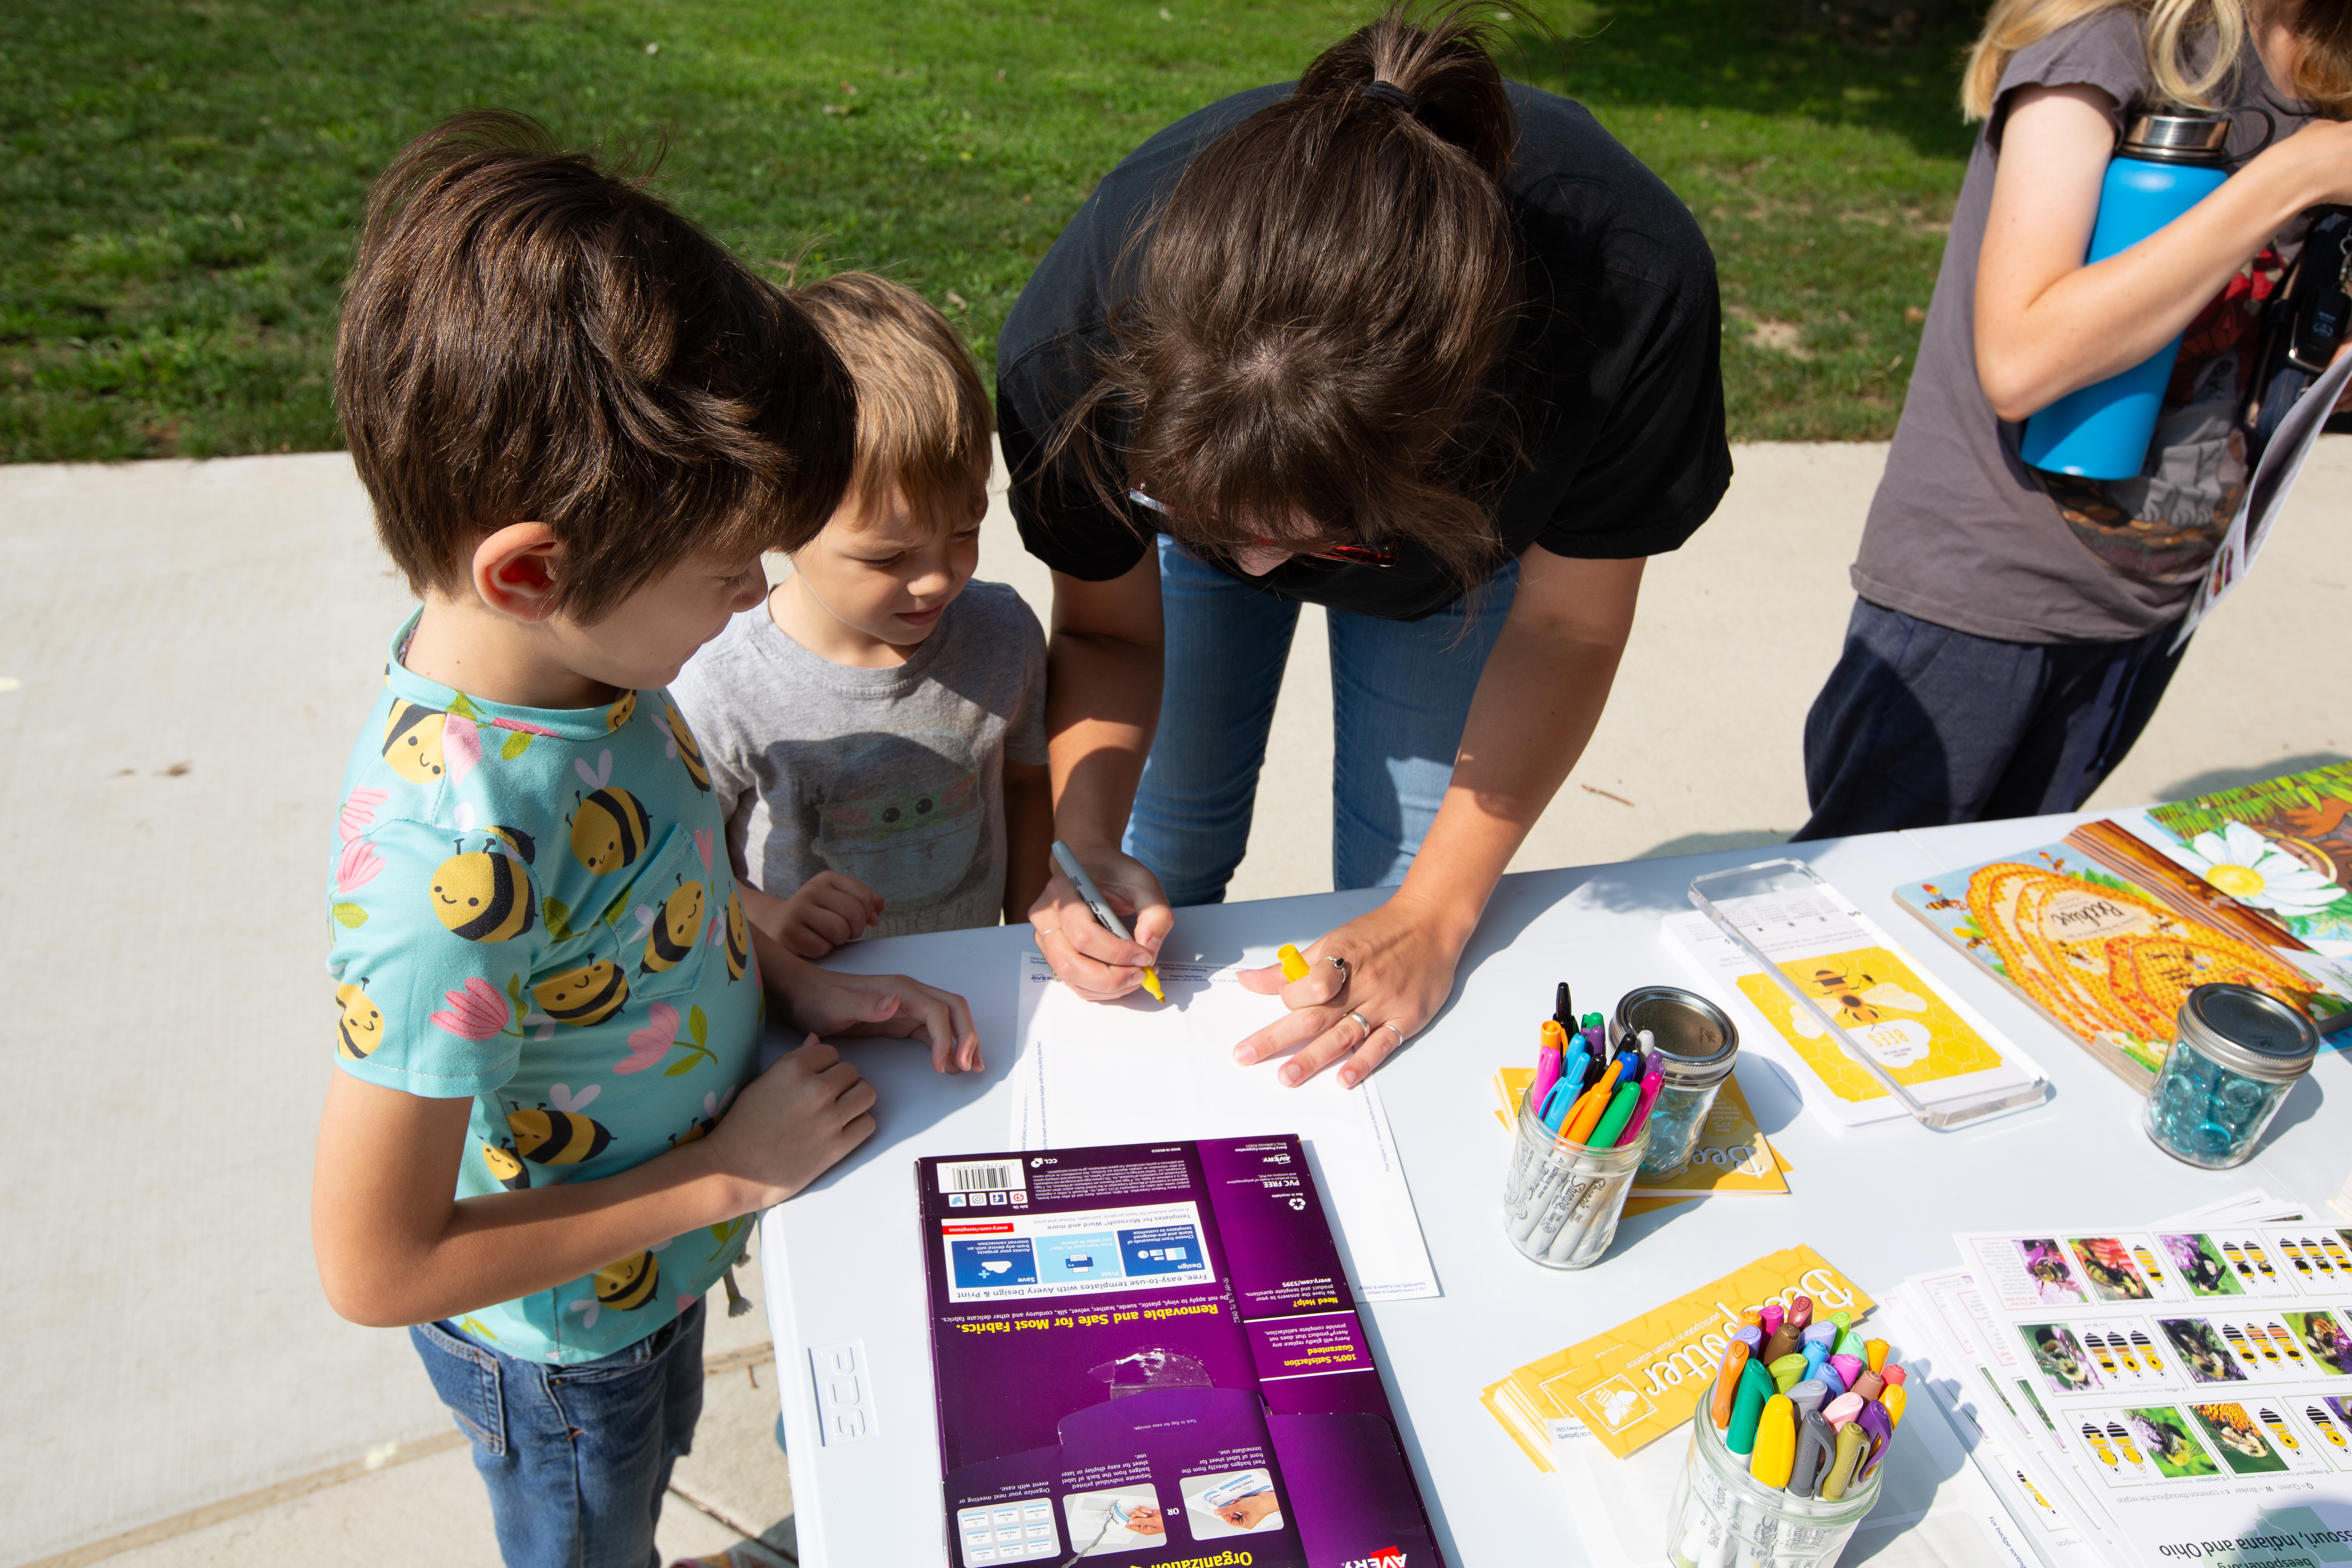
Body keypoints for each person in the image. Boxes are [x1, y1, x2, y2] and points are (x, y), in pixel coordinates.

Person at [311, 114, 981, 1568]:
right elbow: (377, 1262)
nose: (750, 602)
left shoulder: (588, 677)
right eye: (728, 571)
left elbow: (647, 869)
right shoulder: (446, 874)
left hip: (655, 1266)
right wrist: (730, 1178)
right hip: (566, 1346)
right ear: (535, 567)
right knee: (590, 1535)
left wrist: (780, 967)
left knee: (658, 1454)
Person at [998, 5, 1730, 1087]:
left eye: (1304, 537)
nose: (1257, 570)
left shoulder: (1624, 297)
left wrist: (1432, 913)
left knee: (1408, 893)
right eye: (1214, 528)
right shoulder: (1081, 340)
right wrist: (1088, 841)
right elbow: (1108, 630)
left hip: (1450, 563)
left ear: (1459, 435)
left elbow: (1568, 626)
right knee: (1175, 838)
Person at [1795, 0, 2352, 839]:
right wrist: (2297, 176)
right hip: (1987, 599)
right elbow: (2024, 361)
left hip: (2157, 599)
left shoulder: (2327, 77)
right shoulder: (2112, 44)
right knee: (1852, 917)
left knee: (1996, 903)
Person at [669, 272, 1051, 958]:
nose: (939, 576)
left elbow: (1026, 785)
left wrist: (1030, 941)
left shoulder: (1001, 633)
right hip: (807, 1005)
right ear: (782, 521)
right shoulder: (721, 686)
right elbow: (676, 866)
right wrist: (768, 919)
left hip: (974, 988)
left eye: (965, 531)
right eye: (888, 556)